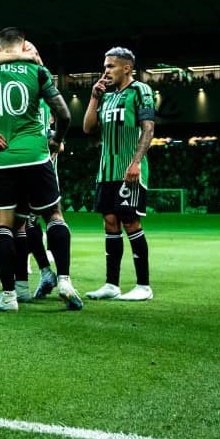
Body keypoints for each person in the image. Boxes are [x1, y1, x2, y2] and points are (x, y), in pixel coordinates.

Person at [0, 27, 80, 312]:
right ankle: (63, 280)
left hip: (1, 159)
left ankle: (9, 296)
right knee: (53, 216)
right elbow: (64, 113)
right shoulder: (38, 72)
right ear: (24, 45)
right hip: (36, 156)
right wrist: (56, 140)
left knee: (3, 225)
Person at [83, 47, 156, 302]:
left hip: (129, 170)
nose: (106, 71)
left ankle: (143, 286)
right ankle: (111, 284)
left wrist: (136, 162)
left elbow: (148, 129)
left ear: (127, 68)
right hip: (106, 171)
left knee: (130, 222)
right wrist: (94, 98)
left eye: (111, 66)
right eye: (105, 66)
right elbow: (87, 127)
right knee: (110, 223)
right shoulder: (106, 97)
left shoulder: (141, 91)